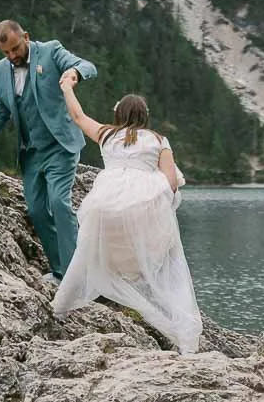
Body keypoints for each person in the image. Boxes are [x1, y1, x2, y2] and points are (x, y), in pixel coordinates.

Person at [49, 76, 201, 354]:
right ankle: (182, 330)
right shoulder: (158, 139)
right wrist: (157, 205)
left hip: (104, 208)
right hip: (140, 209)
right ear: (145, 117)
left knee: (86, 253)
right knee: (166, 262)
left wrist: (67, 88)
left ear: (118, 115)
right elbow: (171, 182)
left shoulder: (107, 134)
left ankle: (59, 307)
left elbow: (78, 115)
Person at [0, 20, 96, 280]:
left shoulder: (50, 51)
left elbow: (87, 65)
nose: (12, 56)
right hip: (31, 152)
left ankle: (75, 277)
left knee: (59, 202)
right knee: (36, 210)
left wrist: (74, 74)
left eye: (15, 48)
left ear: (25, 36)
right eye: (6, 52)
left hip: (60, 146)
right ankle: (59, 271)